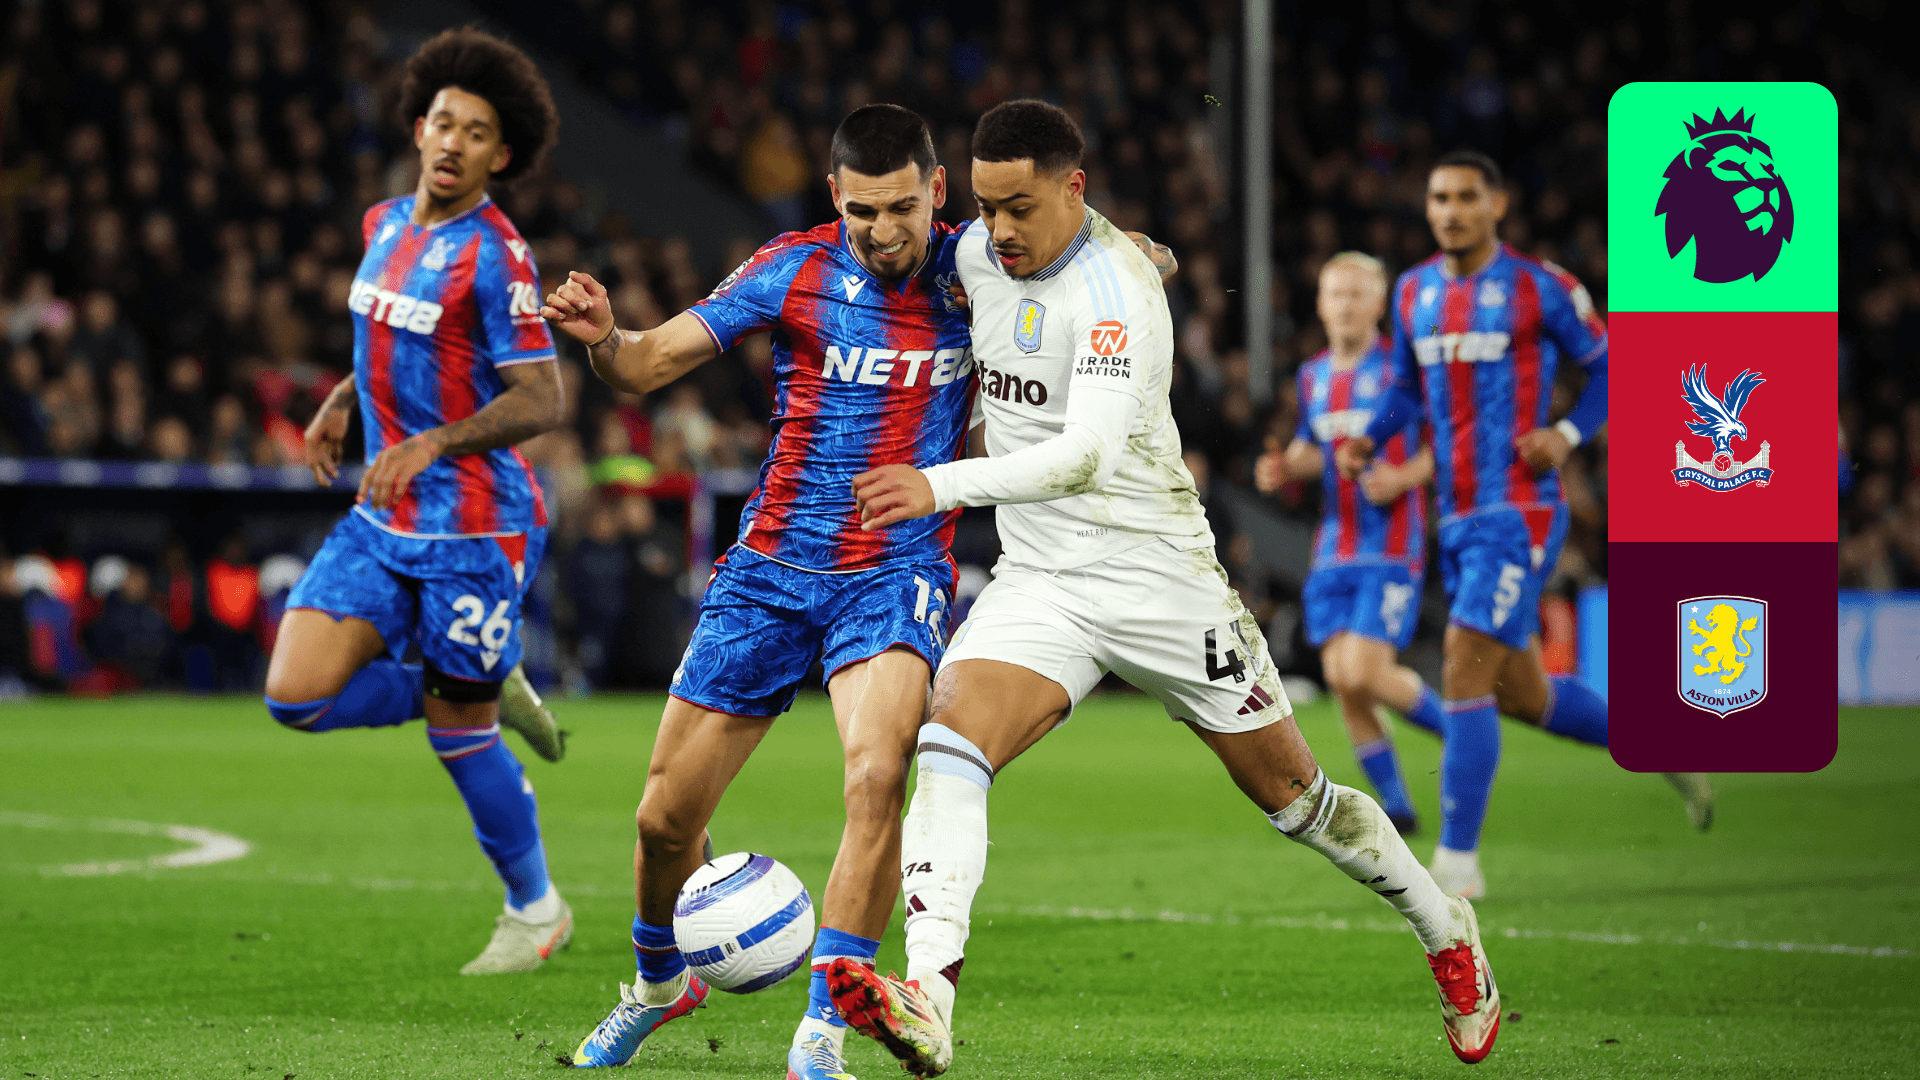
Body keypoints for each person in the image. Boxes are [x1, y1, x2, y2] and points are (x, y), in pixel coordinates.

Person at [834, 100, 1502, 1074]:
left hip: (1164, 585)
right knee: (947, 744)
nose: (999, 231)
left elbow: (1086, 456)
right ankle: (928, 998)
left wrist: (936, 484)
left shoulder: (1120, 292)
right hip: (1042, 582)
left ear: (1075, 188)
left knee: (1298, 801)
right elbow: (899, 248)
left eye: (1020, 208)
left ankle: (1445, 928)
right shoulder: (977, 252)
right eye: (985, 208)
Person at [545, 105, 976, 1077]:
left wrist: (1129, 256)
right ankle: (659, 987)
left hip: (893, 570)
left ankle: (824, 1030)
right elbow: (647, 362)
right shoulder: (793, 268)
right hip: (770, 573)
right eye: (863, 211)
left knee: (878, 775)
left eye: (902, 208)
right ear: (834, 196)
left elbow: (1109, 263)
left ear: (937, 192)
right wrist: (605, 337)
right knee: (664, 823)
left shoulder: (976, 271)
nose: (883, 231)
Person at [263, 28, 571, 976]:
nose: (452, 141)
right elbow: (390, 342)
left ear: (500, 155)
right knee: (294, 699)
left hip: (476, 527)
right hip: (384, 513)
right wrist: (342, 400)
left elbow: (541, 399)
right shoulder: (385, 223)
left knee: (457, 735)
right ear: (417, 127)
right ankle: (473, 682)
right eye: (443, 121)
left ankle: (536, 909)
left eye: (475, 132)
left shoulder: (499, 256)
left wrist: (432, 441)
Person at [1335, 150, 1713, 900]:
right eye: (1439, 197)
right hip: (1457, 515)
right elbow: (1407, 389)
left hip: (1521, 511)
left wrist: (1567, 435)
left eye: (1465, 197)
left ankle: (1456, 866)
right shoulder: (1413, 292)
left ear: (1496, 204)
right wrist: (1371, 438)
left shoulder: (1541, 287)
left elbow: (1612, 367)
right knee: (1521, 695)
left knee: (1463, 660)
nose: (1450, 211)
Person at [1255, 252, 1447, 835]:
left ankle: (1465, 733)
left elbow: (1443, 443)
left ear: (1379, 303)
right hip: (1335, 545)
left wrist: (1404, 477)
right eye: (1336, 293)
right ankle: (1399, 807)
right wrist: (1283, 468)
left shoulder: (1400, 370)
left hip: (1391, 544)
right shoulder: (1312, 375)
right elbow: (1312, 449)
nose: (1345, 305)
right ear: (1320, 304)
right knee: (1342, 680)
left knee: (1363, 671)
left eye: (1358, 293)